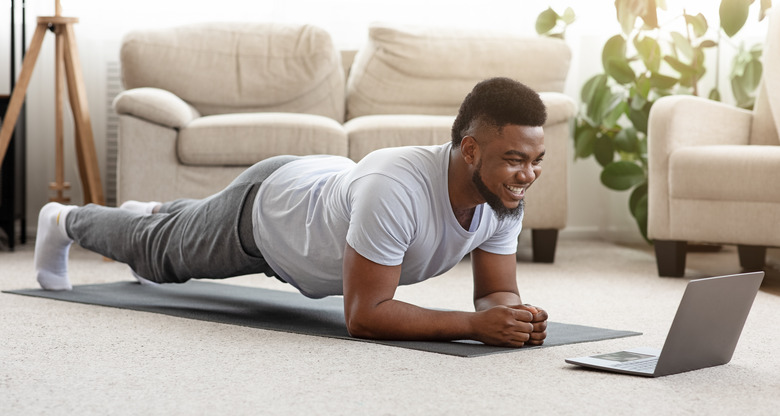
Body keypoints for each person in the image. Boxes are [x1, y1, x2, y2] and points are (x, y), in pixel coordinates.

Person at [34, 77, 549, 348]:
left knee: (172, 227)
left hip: (318, 191)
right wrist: (474, 326)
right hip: (267, 215)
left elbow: (494, 292)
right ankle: (63, 221)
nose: (526, 174)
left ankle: (157, 212)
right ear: (469, 150)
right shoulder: (396, 187)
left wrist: (512, 316)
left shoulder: (501, 196)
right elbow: (364, 316)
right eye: (514, 159)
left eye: (535, 161)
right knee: (156, 257)